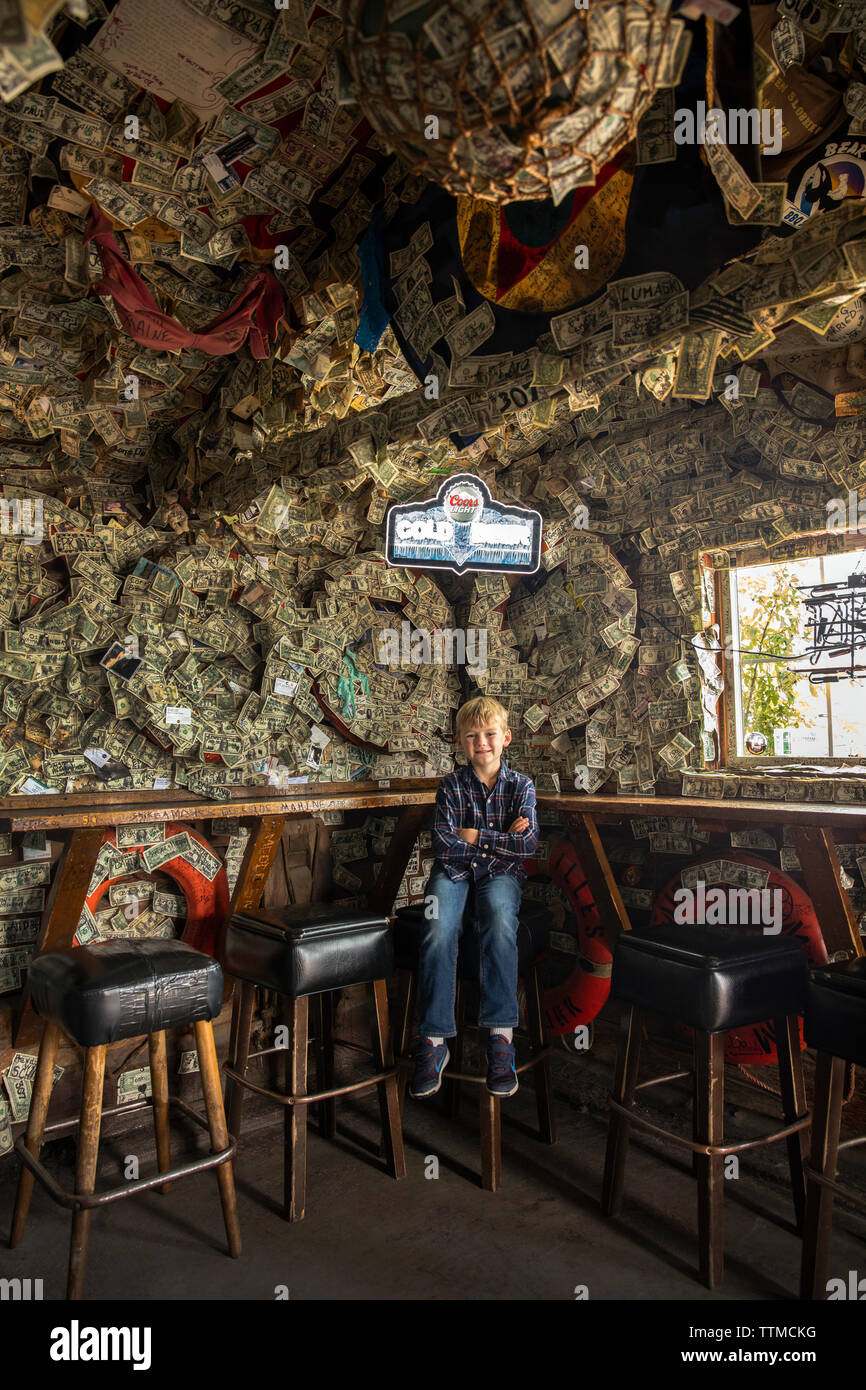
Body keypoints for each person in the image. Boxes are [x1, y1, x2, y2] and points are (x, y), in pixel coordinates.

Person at [409, 695, 539, 1101]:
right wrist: (503, 840)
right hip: (453, 874)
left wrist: (479, 837)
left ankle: (500, 1038)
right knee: (436, 926)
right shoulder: (450, 786)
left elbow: (529, 845)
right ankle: (434, 1041)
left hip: (502, 877)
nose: (481, 742)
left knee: (500, 922)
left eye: (489, 734)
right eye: (471, 736)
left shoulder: (522, 786)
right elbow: (445, 846)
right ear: (461, 743)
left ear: (506, 738)